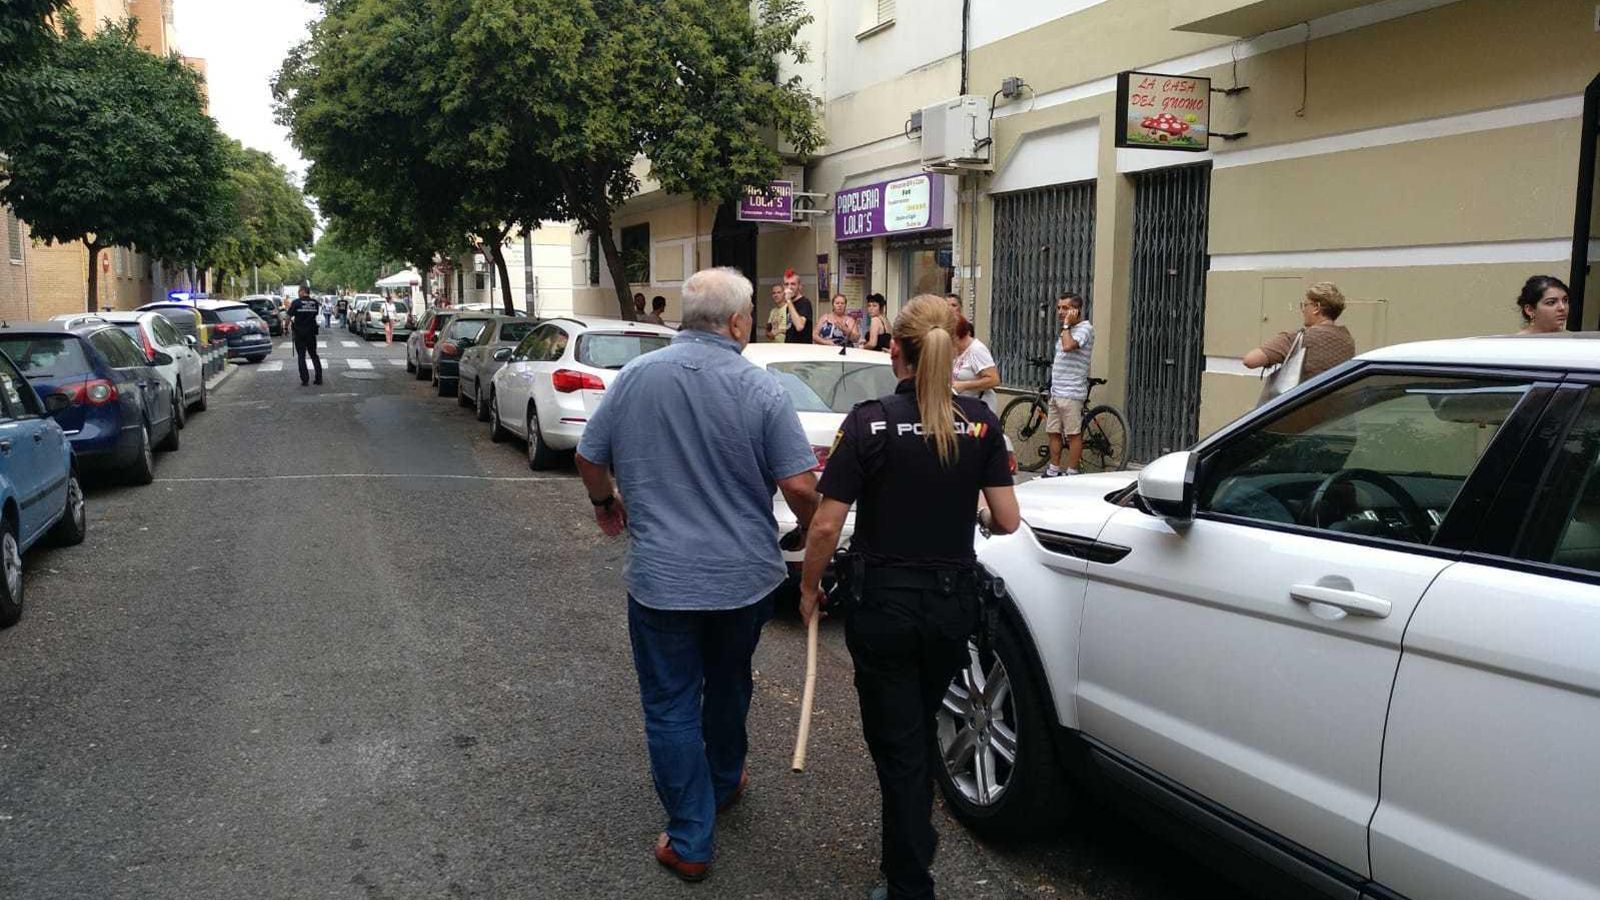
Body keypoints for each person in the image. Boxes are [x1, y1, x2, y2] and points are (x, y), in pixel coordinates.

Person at [574, 267, 820, 884]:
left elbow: (588, 455)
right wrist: (811, 529)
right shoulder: (761, 389)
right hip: (743, 580)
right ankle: (724, 777)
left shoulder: (634, 379)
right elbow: (798, 485)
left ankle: (690, 838)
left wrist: (606, 504)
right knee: (730, 679)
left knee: (670, 703)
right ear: (737, 323)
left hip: (662, 580)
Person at [798, 294, 1021, 900]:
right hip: (952, 609)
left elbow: (824, 524)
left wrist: (809, 586)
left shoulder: (867, 421)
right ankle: (912, 848)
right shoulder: (980, 421)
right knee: (918, 729)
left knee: (897, 744)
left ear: (894, 350)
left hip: (886, 611)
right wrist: (969, 506)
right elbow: (1007, 520)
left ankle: (908, 879)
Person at [1243, 281, 1356, 381]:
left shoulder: (1300, 338)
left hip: (1303, 403)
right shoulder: (1348, 341)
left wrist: (1274, 359)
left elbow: (1250, 360)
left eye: (1305, 305)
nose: (1303, 310)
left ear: (1316, 308)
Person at [1045, 292, 1093, 478]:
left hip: (1072, 392)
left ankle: (1072, 472)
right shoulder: (1067, 330)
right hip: (1057, 391)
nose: (1060, 311)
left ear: (1076, 310)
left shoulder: (1085, 329)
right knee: (1053, 431)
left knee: (1073, 434)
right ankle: (1053, 469)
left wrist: (1066, 326)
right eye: (1058, 308)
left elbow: (1068, 346)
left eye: (1065, 308)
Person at [952, 316, 1000, 412]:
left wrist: (964, 385)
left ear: (956, 336)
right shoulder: (959, 351)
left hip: (980, 408)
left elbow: (994, 380)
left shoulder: (977, 350)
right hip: (965, 407)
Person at [286, 285, 323, 386]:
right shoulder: (315, 303)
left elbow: (288, 316)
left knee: (301, 356)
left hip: (299, 333)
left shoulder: (296, 303)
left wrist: (286, 328)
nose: (298, 293)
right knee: (314, 355)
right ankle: (319, 378)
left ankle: (305, 379)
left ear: (303, 291)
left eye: (299, 291)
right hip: (311, 333)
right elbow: (315, 315)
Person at [780, 269, 813, 344]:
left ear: (800, 286)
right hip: (789, 348)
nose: (789, 287)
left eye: (793, 284)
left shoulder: (805, 303)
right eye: (786, 284)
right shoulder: (790, 304)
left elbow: (799, 326)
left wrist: (788, 300)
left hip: (801, 350)